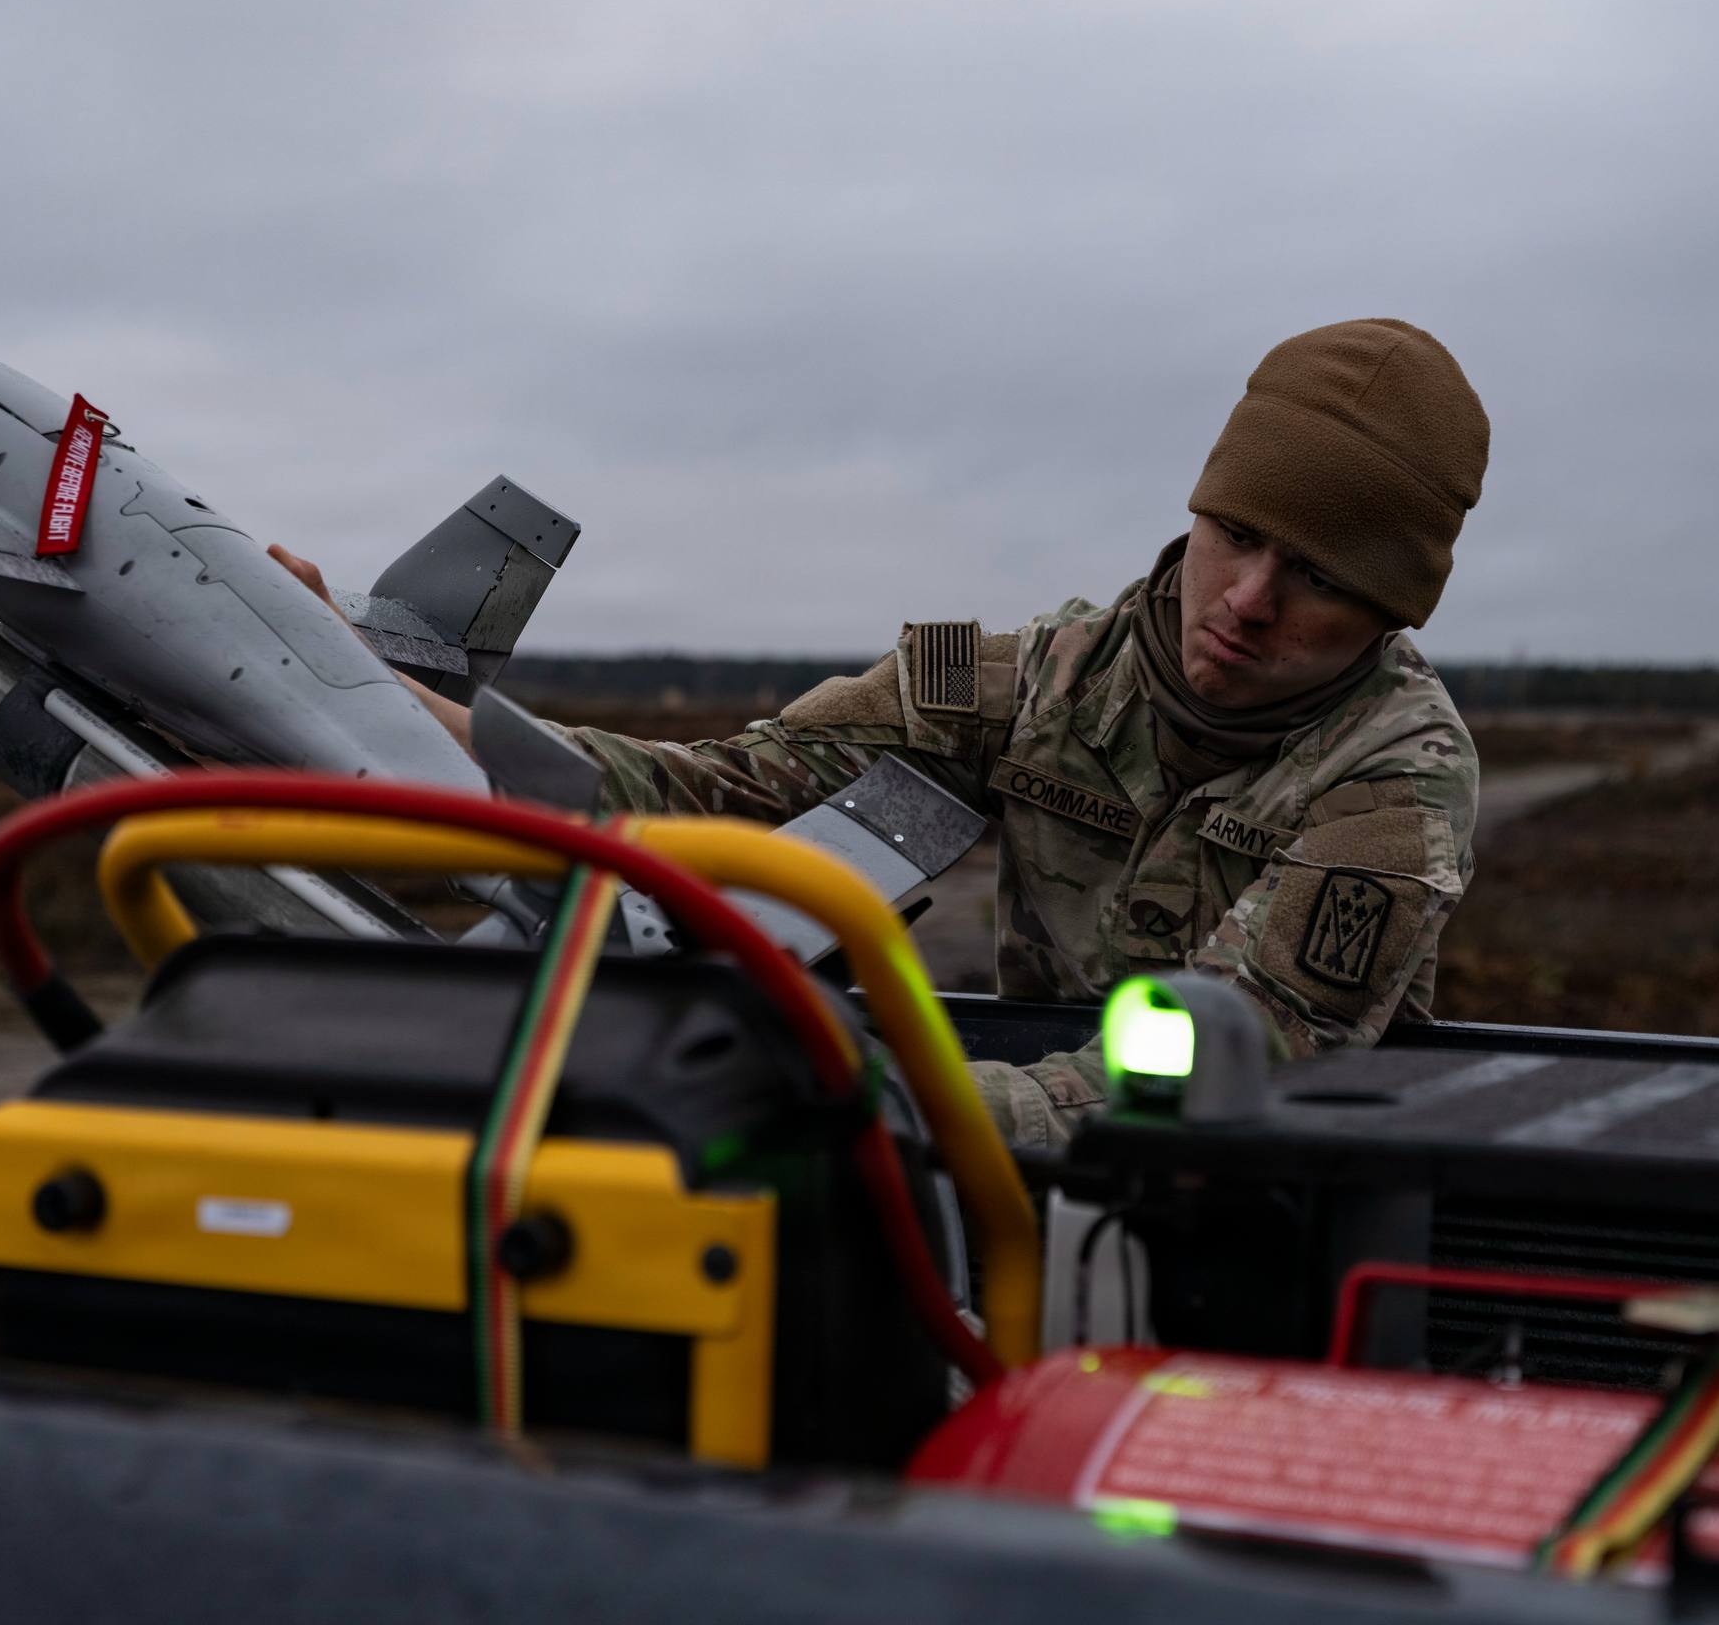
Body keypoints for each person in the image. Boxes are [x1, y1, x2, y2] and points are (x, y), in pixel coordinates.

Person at [276, 318, 1488, 1148]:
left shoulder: (1396, 784)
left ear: (1389, 612)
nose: (1246, 602)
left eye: (1318, 578)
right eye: (1237, 536)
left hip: (1264, 1188)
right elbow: (722, 790)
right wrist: (404, 707)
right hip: (1014, 1161)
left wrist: (889, 1103)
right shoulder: (1036, 678)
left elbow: (1235, 1053)